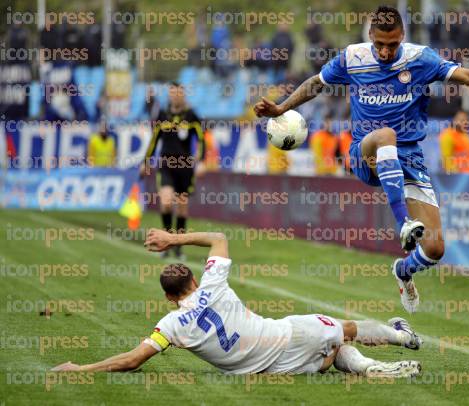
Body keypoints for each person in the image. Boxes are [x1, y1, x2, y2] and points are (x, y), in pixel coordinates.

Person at [254, 5, 469, 313]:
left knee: (436, 248)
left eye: (392, 45)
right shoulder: (353, 57)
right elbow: (315, 83)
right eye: (380, 44)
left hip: (409, 159)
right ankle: (404, 224)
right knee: (385, 135)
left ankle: (404, 271)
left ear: (402, 37)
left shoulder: (420, 58)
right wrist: (280, 108)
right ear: (370, 35)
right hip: (365, 152)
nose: (385, 51)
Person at [51, 228, 422, 377]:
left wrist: (79, 369)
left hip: (268, 370)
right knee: (345, 329)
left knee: (330, 356)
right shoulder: (213, 283)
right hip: (287, 335)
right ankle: (400, 339)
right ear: (194, 280)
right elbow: (218, 236)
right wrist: (171, 237)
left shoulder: (170, 327)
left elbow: (131, 361)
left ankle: (366, 367)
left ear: (167, 297)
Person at [140, 82, 206, 259]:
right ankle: (166, 242)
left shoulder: (191, 116)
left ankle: (178, 247)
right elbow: (154, 141)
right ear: (170, 95)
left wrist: (201, 161)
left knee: (182, 209)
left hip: (185, 168)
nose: (176, 96)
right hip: (166, 166)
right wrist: (145, 162)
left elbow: (201, 140)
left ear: (183, 95)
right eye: (173, 93)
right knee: (167, 202)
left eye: (179, 93)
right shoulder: (162, 116)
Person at [439, 110, 469, 174]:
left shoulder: (465, 135)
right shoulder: (448, 135)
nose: (463, 123)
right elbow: (446, 159)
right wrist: (455, 173)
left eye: (465, 120)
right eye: (461, 120)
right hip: (457, 177)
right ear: (454, 119)